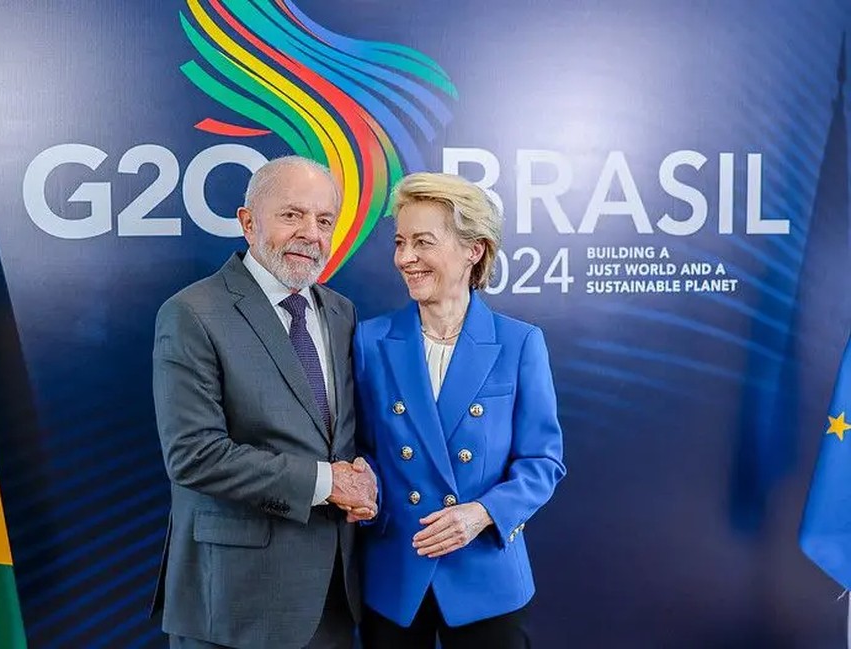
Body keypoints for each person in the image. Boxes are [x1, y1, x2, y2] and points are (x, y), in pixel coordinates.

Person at [151, 156, 378, 649]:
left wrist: (364, 479)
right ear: (248, 222)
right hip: (234, 604)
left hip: (330, 600)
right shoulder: (192, 313)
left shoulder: (341, 312)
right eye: (292, 215)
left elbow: (342, 435)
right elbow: (193, 455)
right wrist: (327, 482)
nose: (311, 234)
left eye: (324, 221)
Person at [352, 172, 566, 648]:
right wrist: (364, 490)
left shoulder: (519, 343)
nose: (405, 258)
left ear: (474, 249)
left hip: (486, 576)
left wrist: (482, 513)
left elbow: (543, 462)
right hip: (397, 573)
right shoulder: (370, 340)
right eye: (401, 242)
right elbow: (362, 447)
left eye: (423, 243)